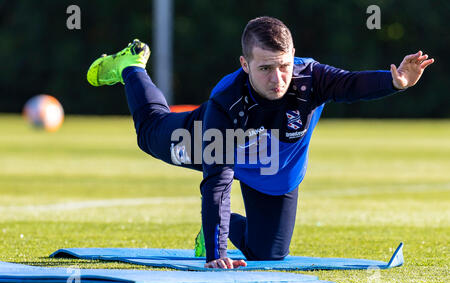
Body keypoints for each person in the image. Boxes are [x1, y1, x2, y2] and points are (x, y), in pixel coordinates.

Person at [86, 16, 434, 269]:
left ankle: (208, 233)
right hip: (212, 142)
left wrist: (396, 81)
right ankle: (131, 66)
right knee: (149, 134)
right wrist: (217, 254)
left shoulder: (311, 78)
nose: (277, 78)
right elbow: (217, 182)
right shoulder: (227, 101)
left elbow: (353, 85)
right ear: (245, 64)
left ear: (293, 56)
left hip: (274, 172)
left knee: (269, 254)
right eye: (265, 68)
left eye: (283, 65)